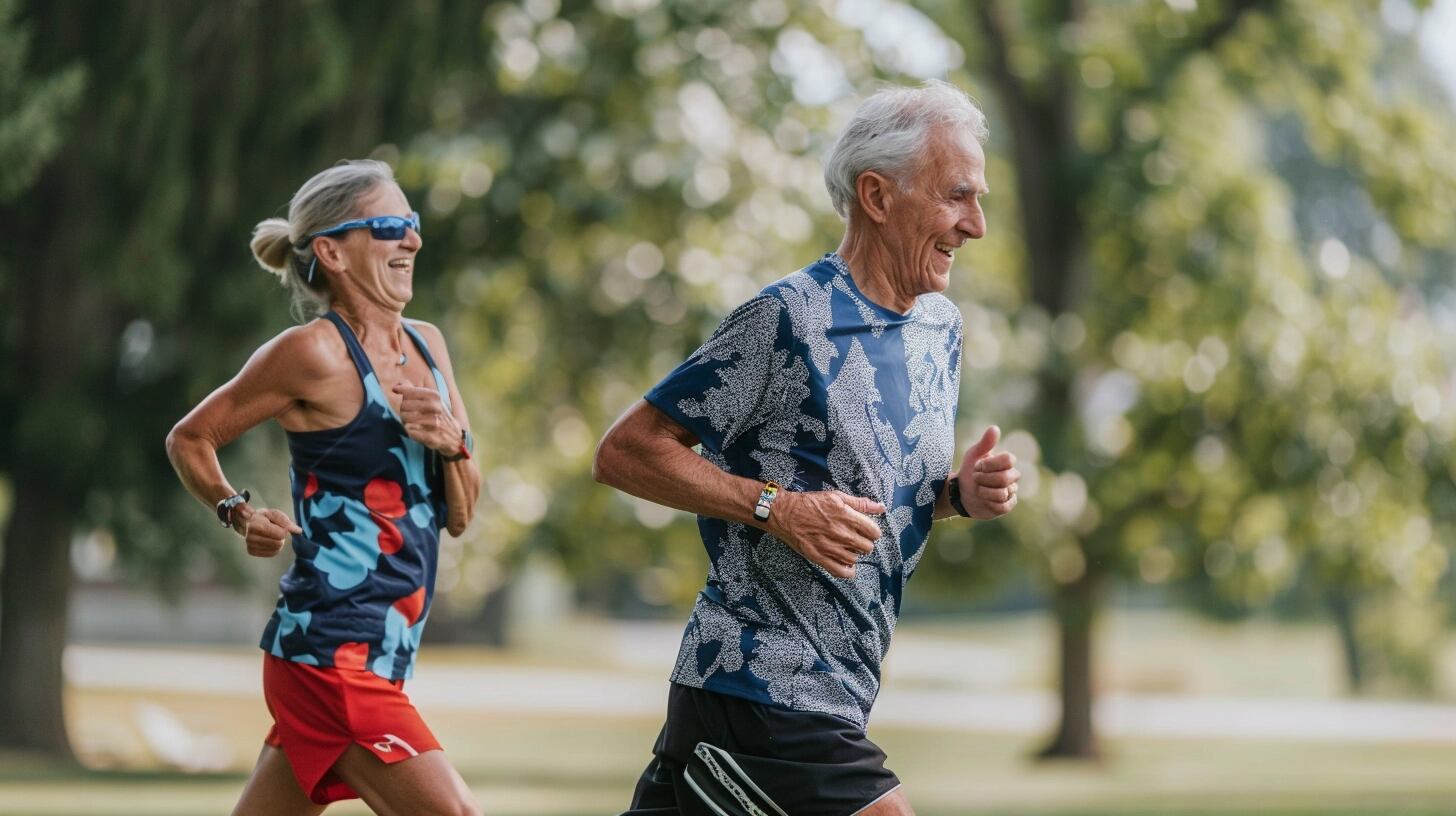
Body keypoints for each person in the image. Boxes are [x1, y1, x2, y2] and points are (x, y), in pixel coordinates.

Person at [594, 80, 1022, 816]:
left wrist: (957, 494)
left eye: (979, 198)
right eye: (956, 196)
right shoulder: (785, 318)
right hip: (760, 687)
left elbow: (875, 492)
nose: (975, 225)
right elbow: (626, 451)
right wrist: (776, 508)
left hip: (832, 692)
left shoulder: (939, 329)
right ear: (877, 197)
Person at [166, 159, 483, 816]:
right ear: (332, 251)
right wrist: (234, 509)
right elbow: (189, 437)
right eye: (392, 226)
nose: (414, 241)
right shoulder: (313, 354)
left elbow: (461, 512)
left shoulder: (428, 346)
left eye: (413, 224)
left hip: (383, 652)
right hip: (331, 651)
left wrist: (453, 443)